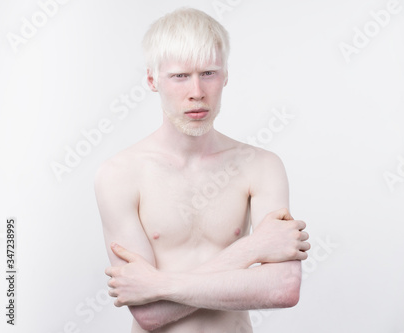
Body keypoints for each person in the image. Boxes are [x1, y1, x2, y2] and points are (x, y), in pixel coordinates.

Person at [94, 7, 310, 333]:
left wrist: (159, 284)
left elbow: (283, 288)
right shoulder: (119, 175)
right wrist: (253, 248)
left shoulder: (262, 166)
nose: (197, 92)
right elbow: (149, 314)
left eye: (208, 73)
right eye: (180, 76)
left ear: (225, 76)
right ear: (153, 80)